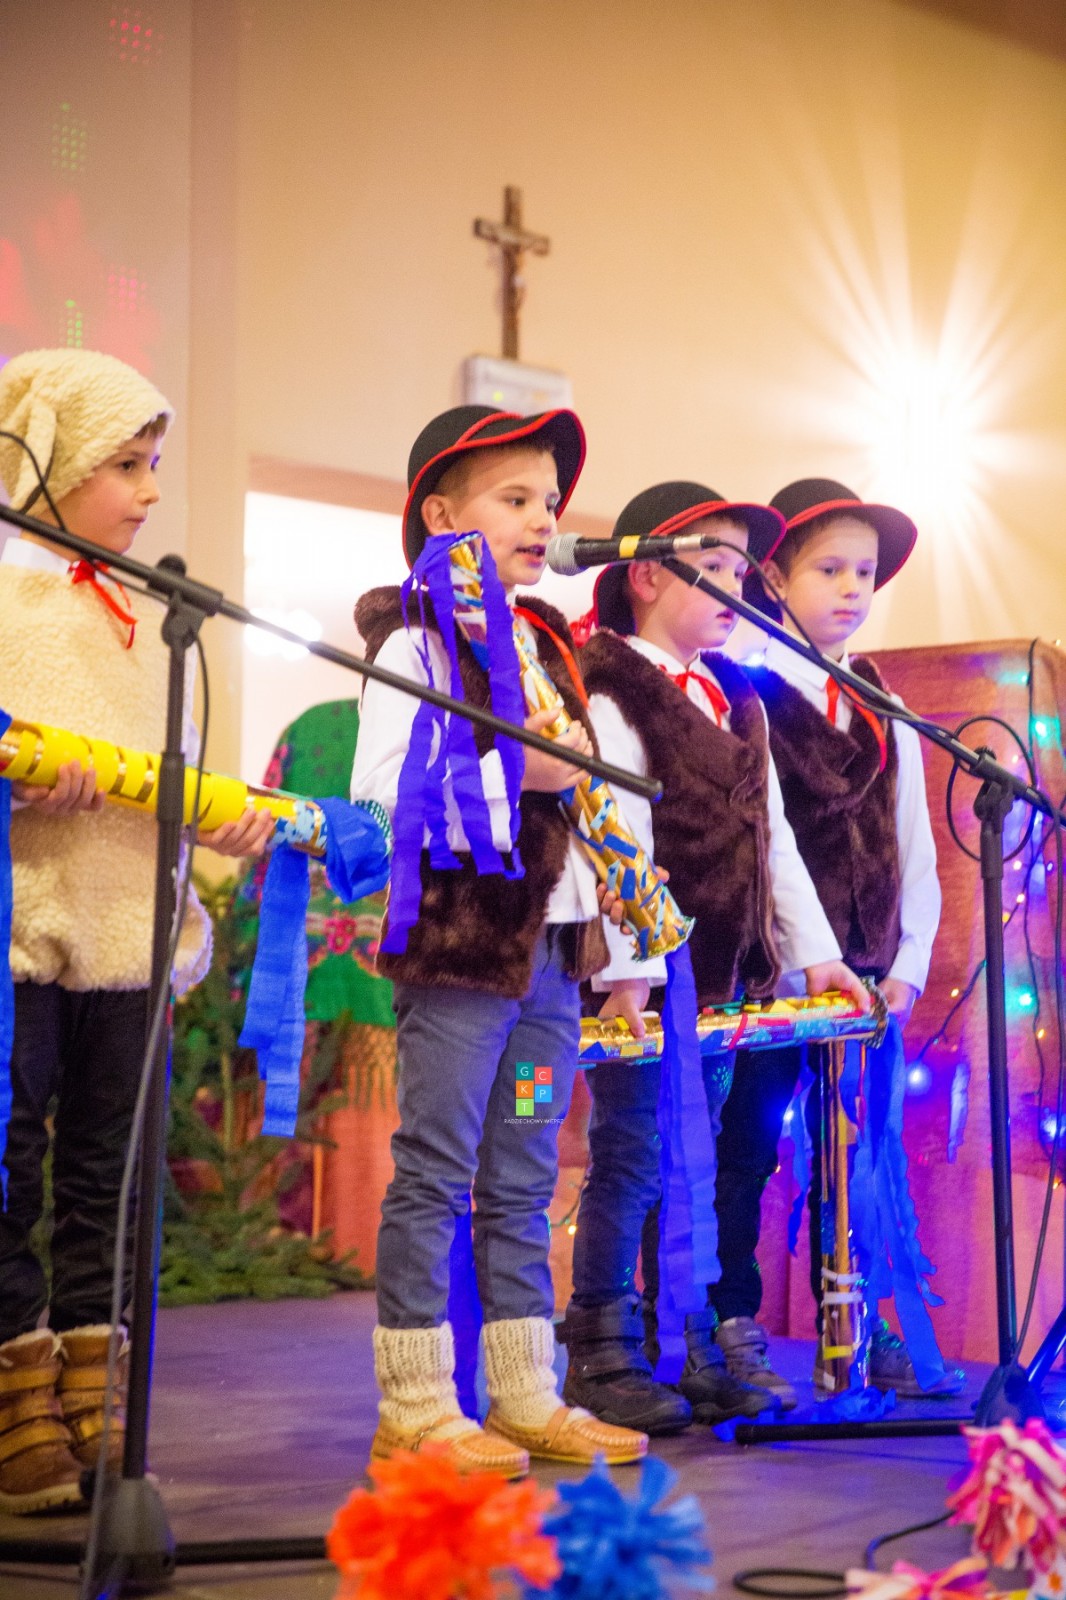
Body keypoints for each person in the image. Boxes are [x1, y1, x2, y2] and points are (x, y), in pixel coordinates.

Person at [350, 404, 649, 1477]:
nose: (542, 519)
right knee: (435, 1172)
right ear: (440, 515)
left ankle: (524, 1391)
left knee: (523, 1173)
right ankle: (415, 1404)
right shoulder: (416, 640)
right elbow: (382, 796)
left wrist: (617, 942)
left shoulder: (542, 644)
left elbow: (583, 809)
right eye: (514, 498)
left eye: (549, 502)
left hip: (549, 967)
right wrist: (511, 768)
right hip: (462, 962)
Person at [0, 348, 272, 1515]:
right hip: (23, 934)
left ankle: (93, 1384)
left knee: (107, 1173)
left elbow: (169, 784)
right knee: (10, 1160)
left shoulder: (147, 619)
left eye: (154, 463)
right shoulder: (5, 601)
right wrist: (20, 783)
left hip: (128, 937)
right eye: (125, 463)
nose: (150, 490)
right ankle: (16, 1395)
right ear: (51, 460)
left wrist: (224, 827)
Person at [558, 481, 870, 1434]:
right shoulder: (613, 689)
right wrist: (627, 970)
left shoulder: (738, 697)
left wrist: (815, 956)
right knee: (634, 1159)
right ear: (648, 577)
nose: (738, 591)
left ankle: (698, 1337)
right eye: (717, 571)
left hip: (729, 983)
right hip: (649, 987)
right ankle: (606, 1344)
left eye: (743, 573)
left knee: (707, 1162)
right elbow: (612, 832)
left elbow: (773, 840)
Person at [710, 477, 962, 1404]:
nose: (853, 588)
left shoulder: (882, 700)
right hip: (775, 976)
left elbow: (913, 843)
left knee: (857, 1154)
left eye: (865, 571)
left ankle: (854, 1320)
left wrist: (907, 964)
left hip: (866, 980)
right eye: (829, 569)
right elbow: (762, 843)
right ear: (775, 577)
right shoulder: (746, 692)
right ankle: (728, 1320)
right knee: (746, 1147)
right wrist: (798, 957)